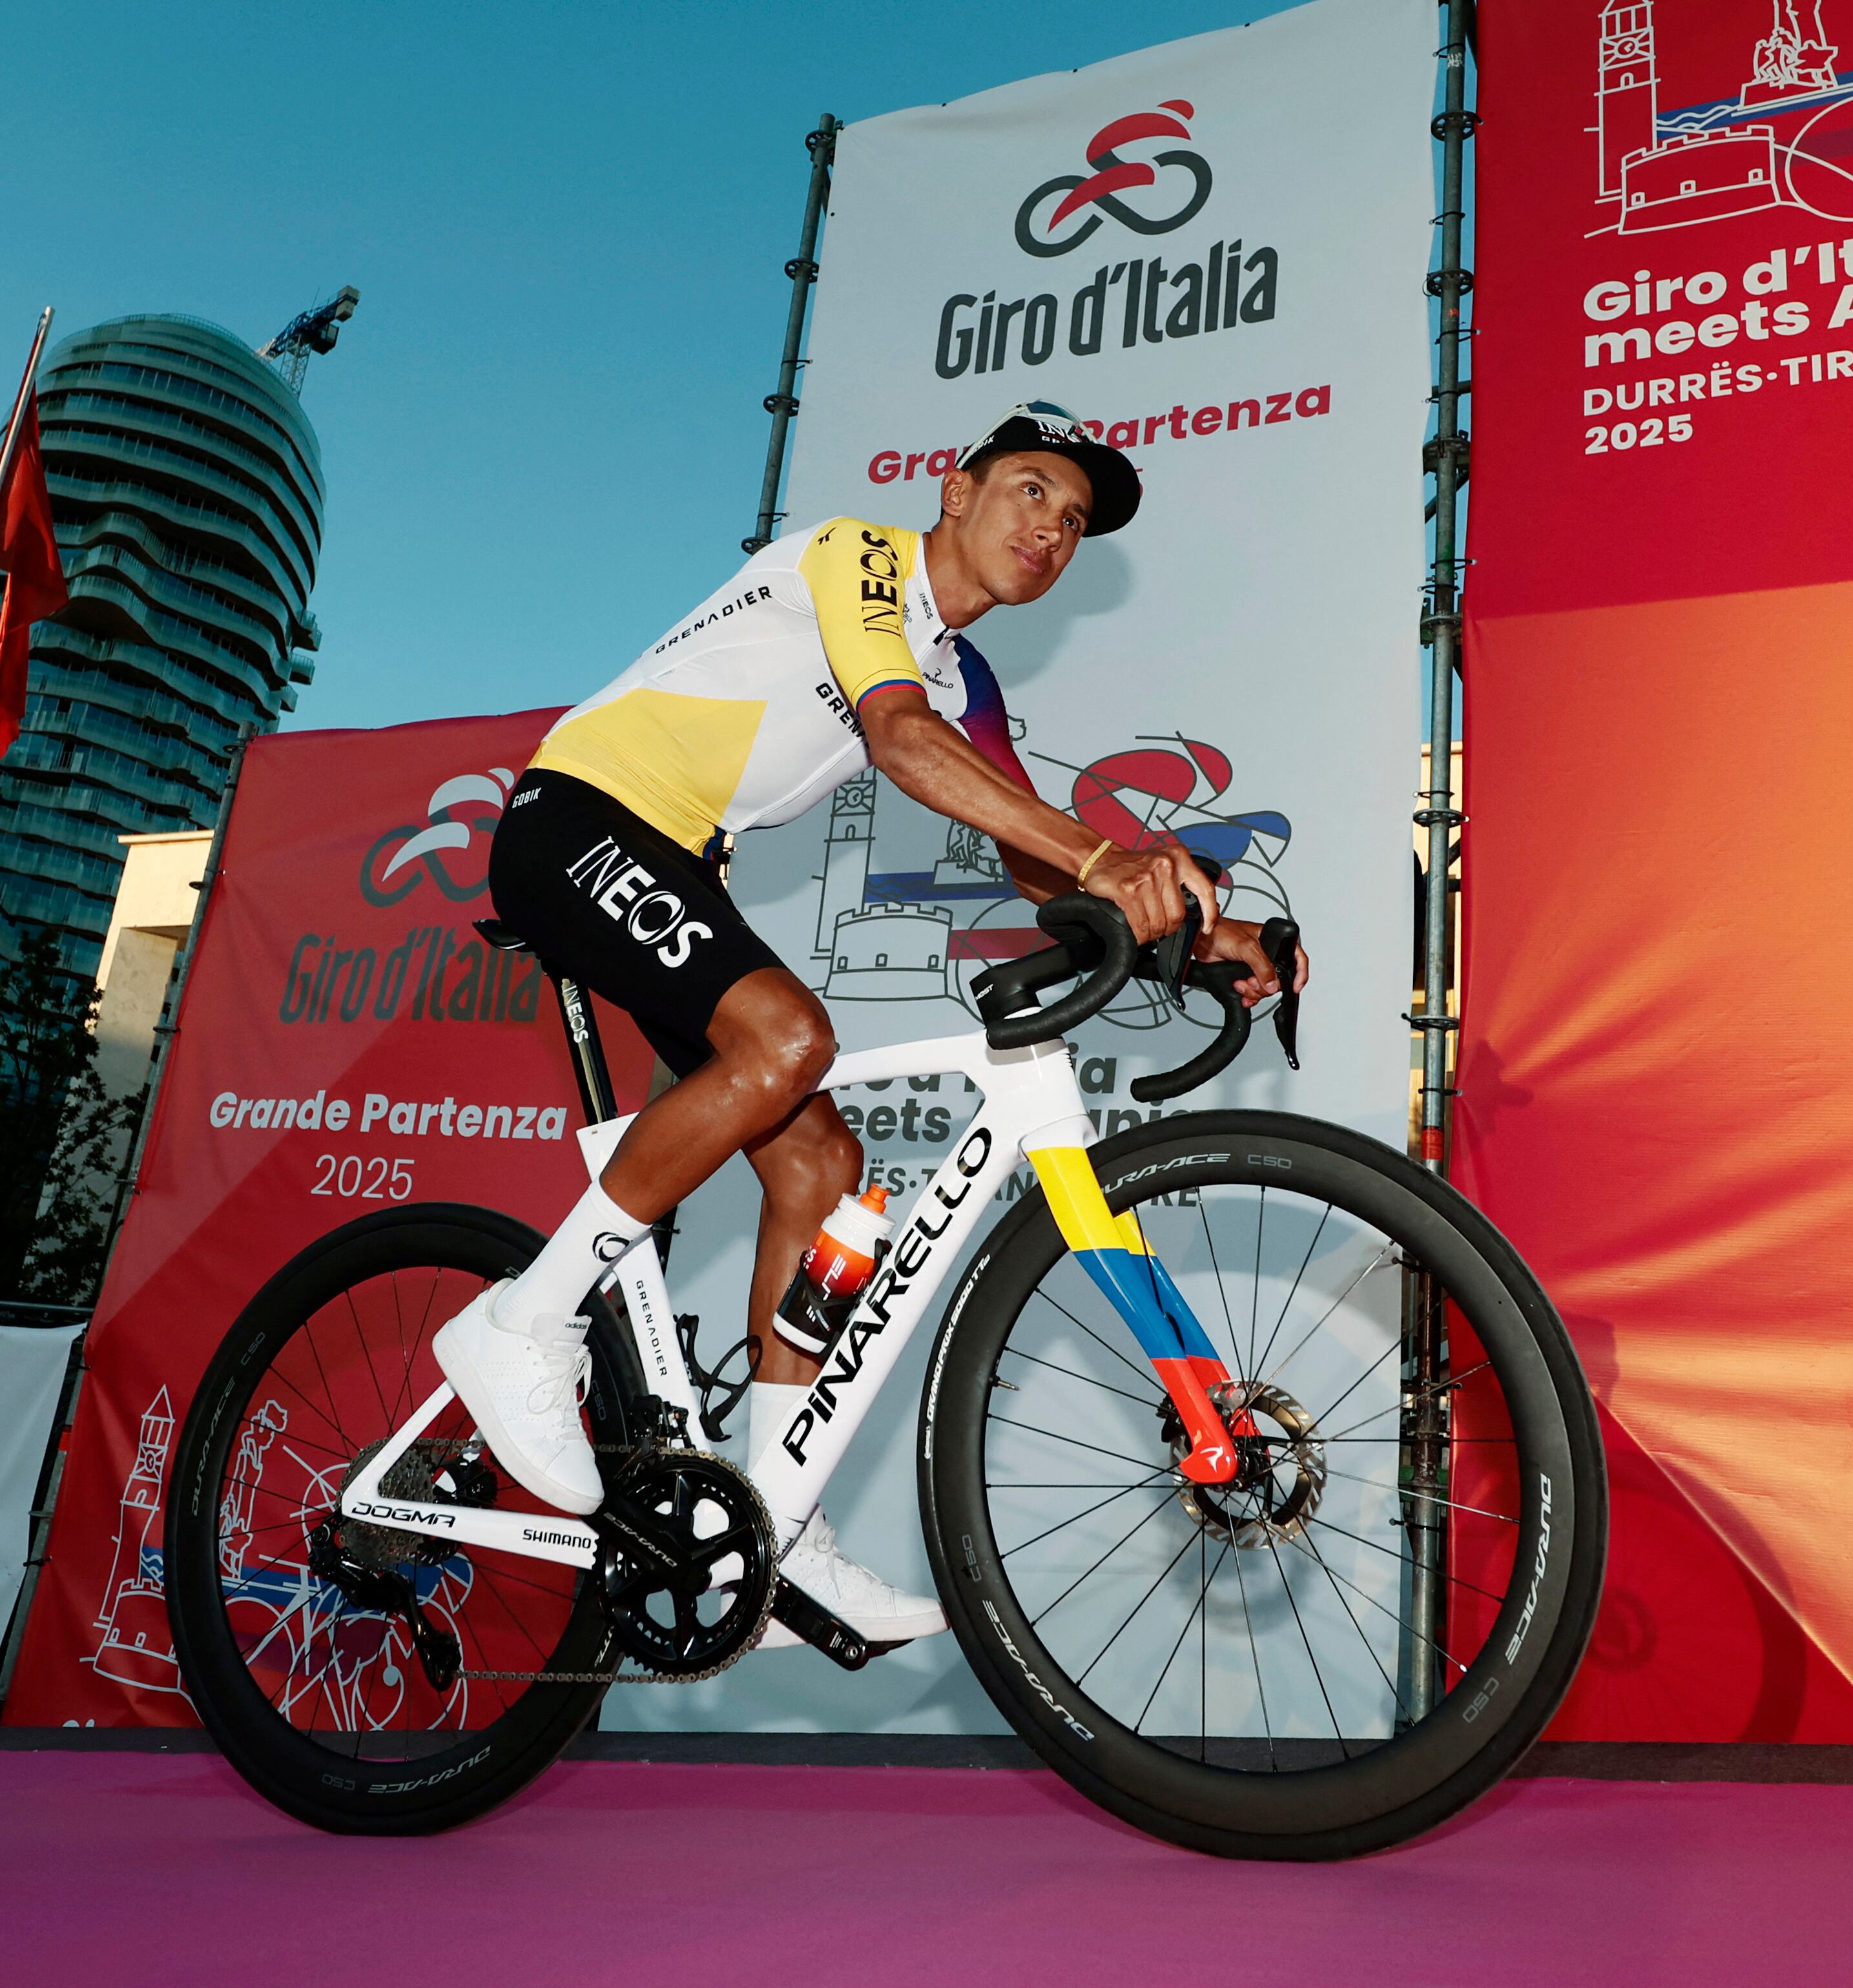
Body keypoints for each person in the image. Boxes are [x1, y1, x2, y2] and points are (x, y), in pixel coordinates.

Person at [435, 400, 1303, 1645]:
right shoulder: (863, 558)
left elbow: (1036, 864)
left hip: (683, 863)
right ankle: (523, 1320)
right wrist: (1115, 854)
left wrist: (1205, 944)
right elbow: (897, 740)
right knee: (789, 1039)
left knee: (826, 1165)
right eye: (1029, 492)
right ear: (956, 490)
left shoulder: (969, 678)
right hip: (575, 818)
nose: (1050, 531)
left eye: (1071, 522)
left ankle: (772, 1526)